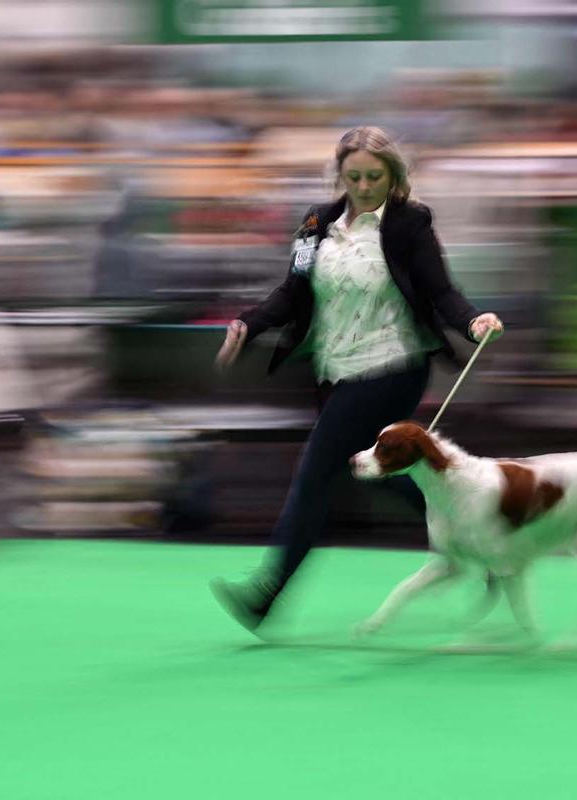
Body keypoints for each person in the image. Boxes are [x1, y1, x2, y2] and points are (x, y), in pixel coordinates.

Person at [210, 126, 503, 632]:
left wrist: (474, 321)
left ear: (393, 175)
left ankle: (267, 592)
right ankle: (483, 546)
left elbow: (441, 292)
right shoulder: (315, 223)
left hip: (392, 367)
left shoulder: (410, 224)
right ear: (340, 175)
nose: (365, 186)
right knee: (390, 475)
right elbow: (292, 291)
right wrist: (248, 322)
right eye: (354, 176)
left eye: (375, 176)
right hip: (336, 372)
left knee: (316, 473)